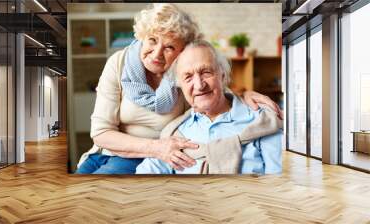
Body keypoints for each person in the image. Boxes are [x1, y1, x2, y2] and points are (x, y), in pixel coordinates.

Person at [75, 3, 282, 174]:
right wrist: (157, 148)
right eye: (153, 41)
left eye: (169, 47)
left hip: (134, 160)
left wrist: (244, 94)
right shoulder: (119, 63)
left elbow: (207, 92)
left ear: (181, 53)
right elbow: (101, 132)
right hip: (104, 151)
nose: (157, 54)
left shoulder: (181, 76)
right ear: (142, 36)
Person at [136, 40, 282, 174]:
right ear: (180, 86)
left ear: (223, 76)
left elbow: (278, 182)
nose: (199, 85)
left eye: (206, 72)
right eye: (188, 77)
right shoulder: (175, 133)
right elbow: (144, 177)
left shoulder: (262, 121)